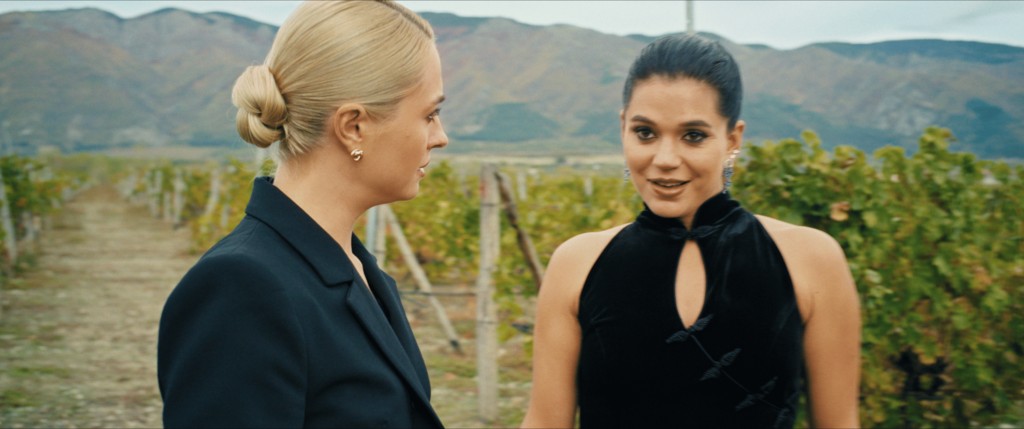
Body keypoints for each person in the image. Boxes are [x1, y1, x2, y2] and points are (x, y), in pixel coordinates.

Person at [521, 35, 861, 428]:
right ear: (622, 128)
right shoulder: (576, 265)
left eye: (693, 136)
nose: (665, 159)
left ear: (732, 140)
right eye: (645, 133)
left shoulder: (812, 260)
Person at [157, 1, 448, 427]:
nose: (440, 137)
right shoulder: (242, 289)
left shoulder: (357, 268)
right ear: (353, 126)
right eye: (430, 114)